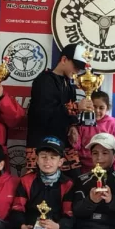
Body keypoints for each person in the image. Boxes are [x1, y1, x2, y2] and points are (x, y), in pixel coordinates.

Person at [26, 43, 93, 174]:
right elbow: (43, 114)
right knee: (39, 182)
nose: (77, 71)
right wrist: (76, 107)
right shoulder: (44, 80)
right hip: (42, 145)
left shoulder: (69, 85)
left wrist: (73, 126)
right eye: (76, 66)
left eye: (80, 68)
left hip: (64, 144)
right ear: (64, 59)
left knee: (72, 180)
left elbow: (66, 115)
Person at [72, 90, 115, 172]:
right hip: (85, 168)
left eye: (101, 108)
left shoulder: (111, 124)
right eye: (94, 106)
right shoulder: (82, 122)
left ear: (107, 108)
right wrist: (73, 139)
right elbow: (77, 147)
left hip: (106, 168)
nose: (97, 110)